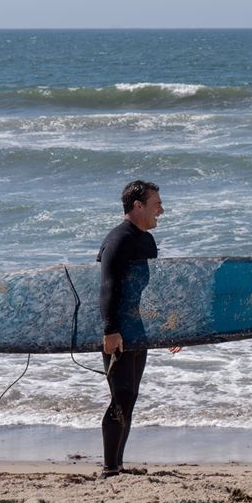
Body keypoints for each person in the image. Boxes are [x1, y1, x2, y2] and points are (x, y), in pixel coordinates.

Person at [97, 180, 179, 478]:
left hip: (137, 330)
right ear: (138, 205)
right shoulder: (119, 239)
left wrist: (169, 329)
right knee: (122, 395)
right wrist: (110, 330)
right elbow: (108, 287)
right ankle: (109, 468)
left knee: (130, 395)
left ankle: (117, 464)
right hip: (117, 331)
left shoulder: (145, 240)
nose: (162, 208)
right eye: (156, 203)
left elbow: (149, 292)